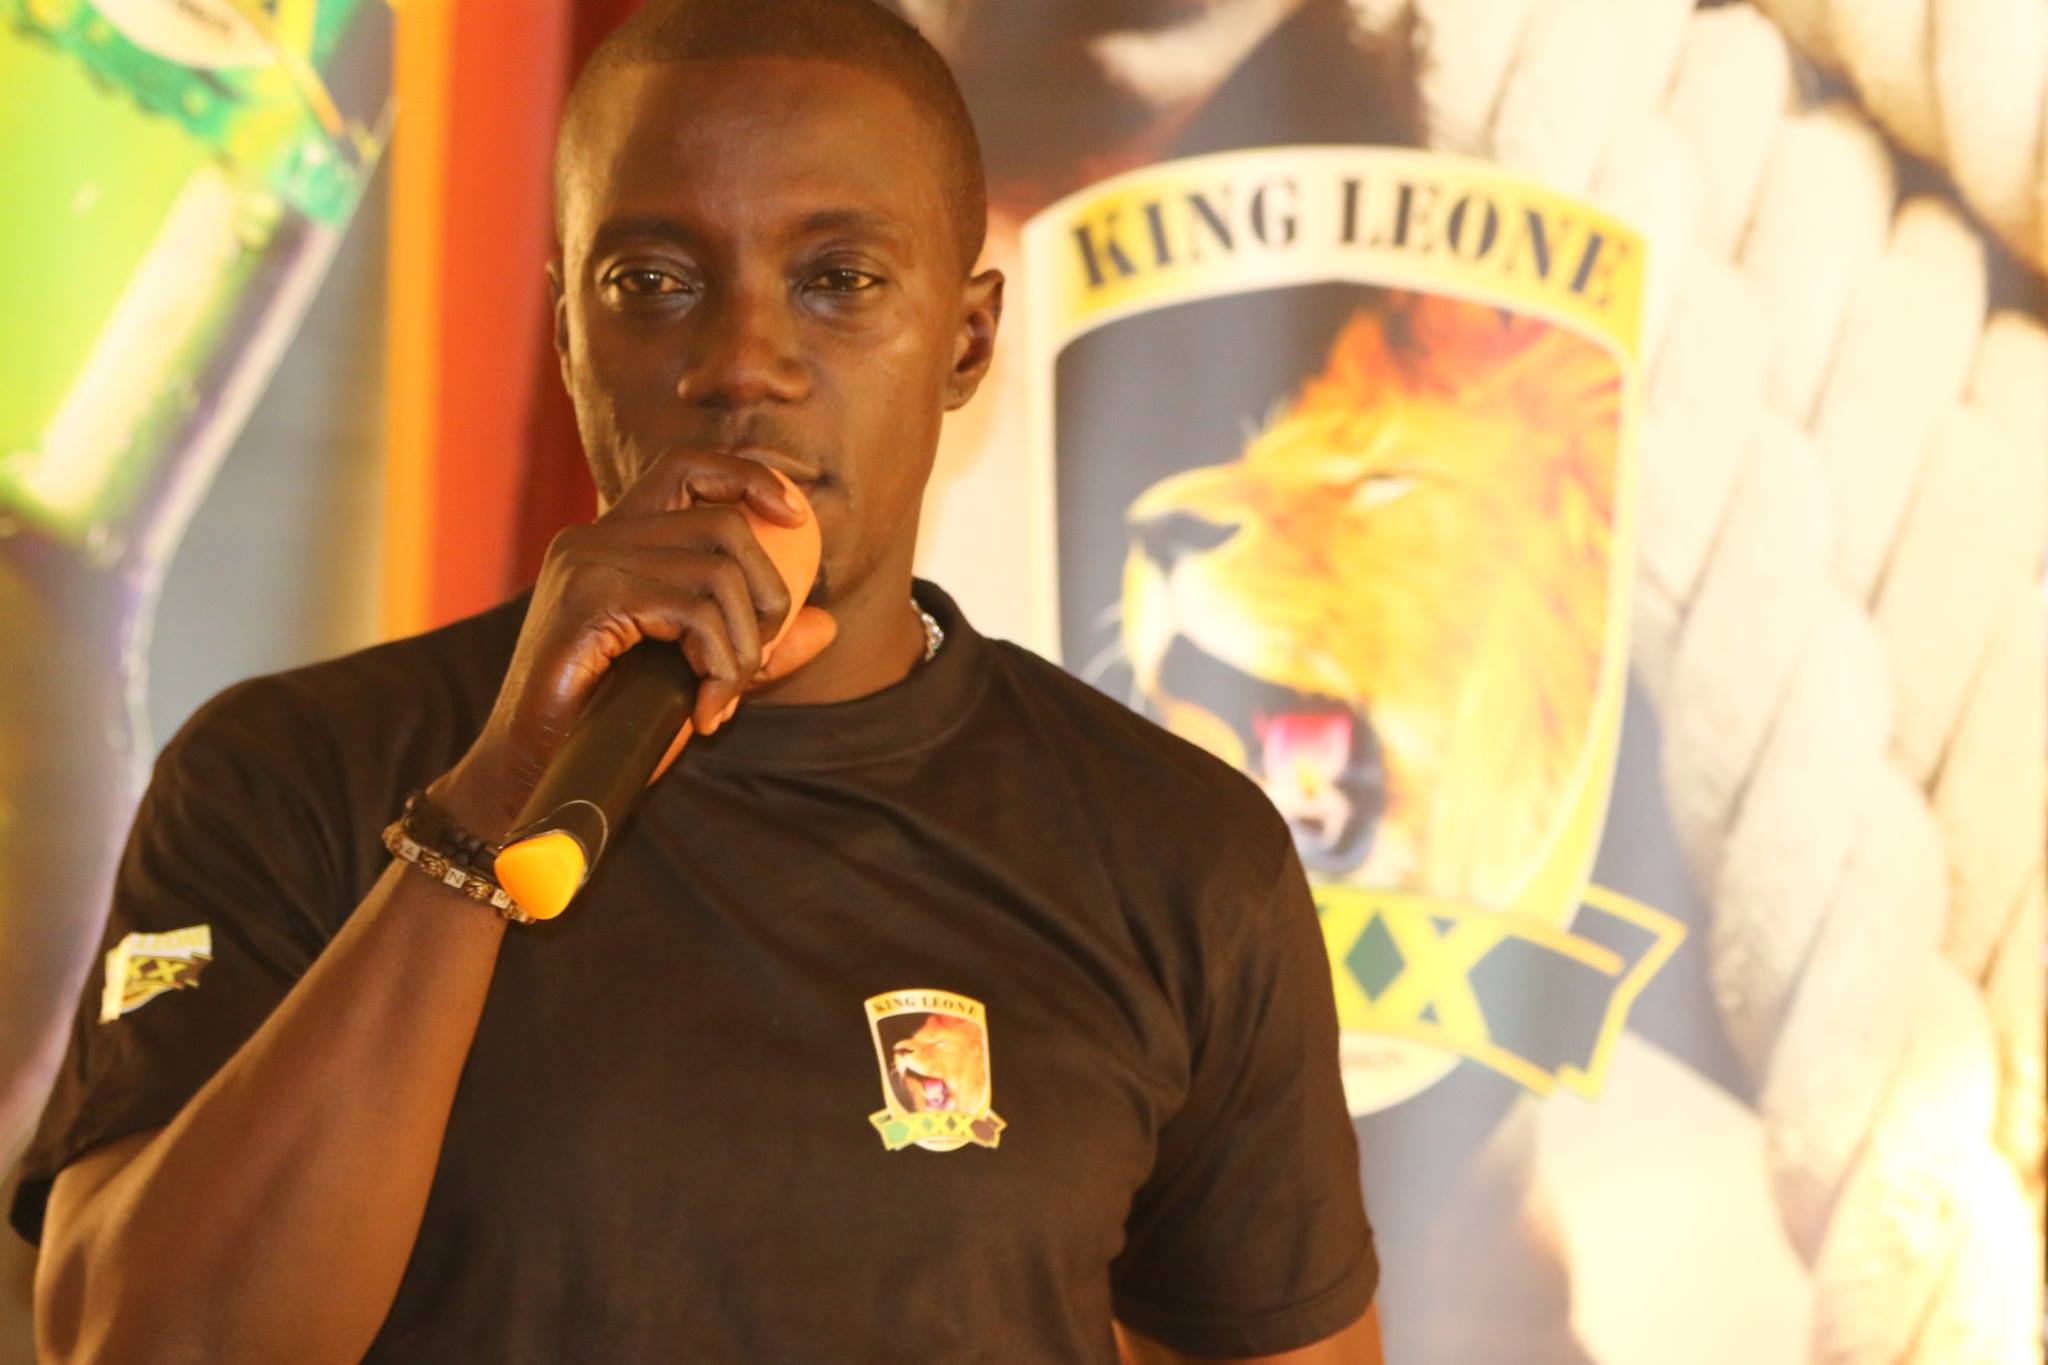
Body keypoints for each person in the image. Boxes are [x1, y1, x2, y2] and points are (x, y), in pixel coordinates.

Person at [11, 2, 1383, 1360]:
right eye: (653, 283)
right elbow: (140, 1345)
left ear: (966, 342)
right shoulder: (287, 771)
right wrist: (491, 801)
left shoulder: (1172, 847)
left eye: (839, 279)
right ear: (566, 334)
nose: (741, 367)